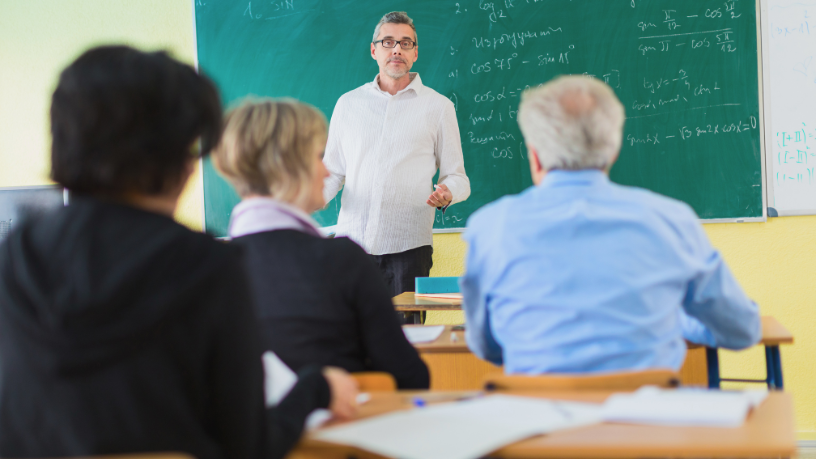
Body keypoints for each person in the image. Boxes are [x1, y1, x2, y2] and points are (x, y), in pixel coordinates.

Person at [0, 46, 358, 459]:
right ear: (176, 158)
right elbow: (249, 446)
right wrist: (316, 387)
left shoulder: (16, 256)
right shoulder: (204, 266)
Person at [461, 75, 761, 374]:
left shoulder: (489, 227)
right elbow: (742, 330)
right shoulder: (672, 220)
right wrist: (676, 320)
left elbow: (488, 346)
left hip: (540, 417)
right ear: (612, 151)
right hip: (648, 417)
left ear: (535, 157)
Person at [213, 98, 430, 390]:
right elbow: (410, 377)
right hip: (342, 430)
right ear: (289, 166)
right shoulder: (342, 261)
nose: (327, 172)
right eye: (319, 157)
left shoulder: (208, 266)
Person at [322, 11, 471, 301]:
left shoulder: (439, 107)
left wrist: (448, 192)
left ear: (415, 53)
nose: (397, 49)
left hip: (409, 248)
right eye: (388, 42)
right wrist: (307, 199)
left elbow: (458, 177)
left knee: (405, 340)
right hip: (351, 247)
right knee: (350, 341)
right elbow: (334, 171)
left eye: (406, 43)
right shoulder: (348, 104)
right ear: (374, 50)